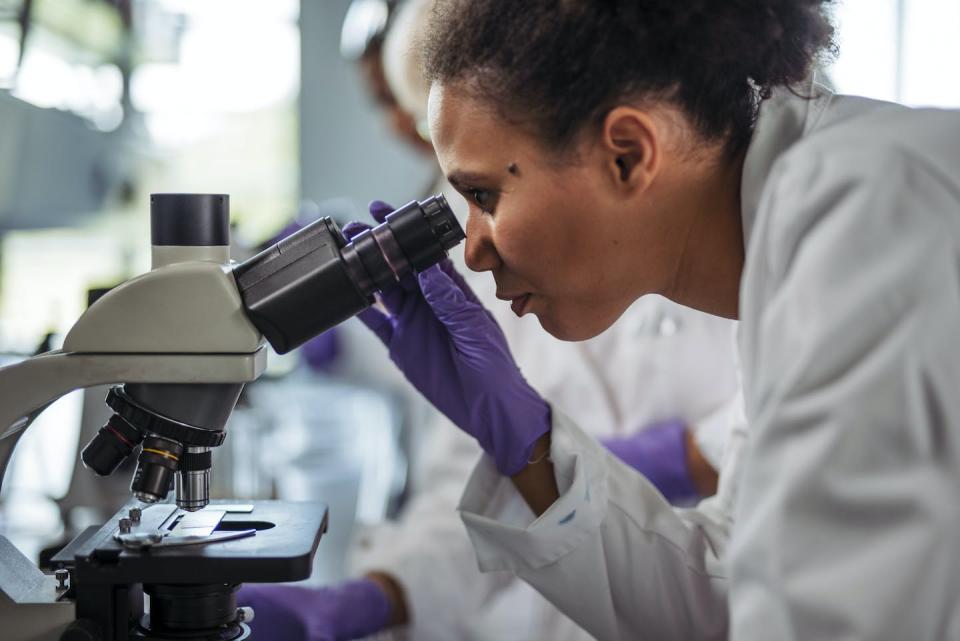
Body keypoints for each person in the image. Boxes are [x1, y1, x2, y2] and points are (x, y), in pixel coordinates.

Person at [332, 1, 960, 640]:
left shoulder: (861, 207)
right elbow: (731, 588)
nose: (473, 248)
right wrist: (529, 448)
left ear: (628, 154)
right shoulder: (785, 235)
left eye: (485, 196)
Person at [237, 1, 744, 640]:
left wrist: (695, 453)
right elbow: (466, 494)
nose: (474, 247)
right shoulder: (496, 237)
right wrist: (369, 596)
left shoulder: (782, 234)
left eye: (481, 193)